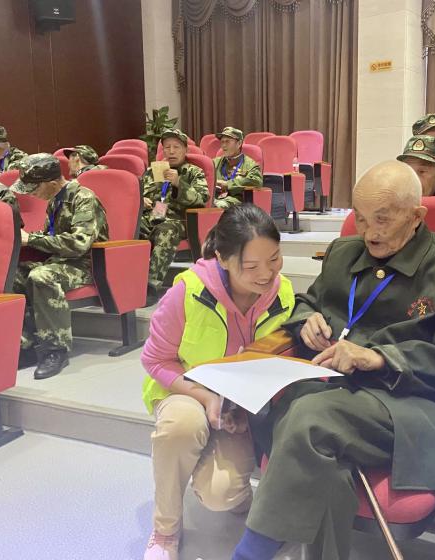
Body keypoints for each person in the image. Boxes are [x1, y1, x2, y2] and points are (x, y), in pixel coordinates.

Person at [231, 160, 435, 560]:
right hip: (332, 388)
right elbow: (307, 302)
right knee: (316, 448)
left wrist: (379, 358)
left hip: (407, 405)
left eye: (382, 220)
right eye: (362, 218)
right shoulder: (343, 252)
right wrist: (306, 321)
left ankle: (251, 553)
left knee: (309, 419)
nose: (369, 232)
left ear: (416, 216)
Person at [140, 204, 295, 560]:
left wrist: (243, 408)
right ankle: (165, 531)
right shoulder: (189, 290)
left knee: (221, 494)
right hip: (185, 390)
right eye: (251, 266)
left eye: (274, 259)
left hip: (238, 405)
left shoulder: (283, 294)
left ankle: (232, 486)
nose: (267, 274)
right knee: (181, 426)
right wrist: (207, 398)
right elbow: (155, 360)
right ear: (222, 259)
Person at [11, 153, 108, 379]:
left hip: (87, 264)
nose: (31, 194)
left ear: (53, 183)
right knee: (13, 274)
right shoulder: (55, 199)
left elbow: (79, 244)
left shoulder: (84, 198)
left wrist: (32, 239)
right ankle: (25, 345)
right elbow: (52, 236)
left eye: (34, 188)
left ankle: (55, 350)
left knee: (42, 276)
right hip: (59, 261)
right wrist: (27, 238)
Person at [140, 129, 208, 301]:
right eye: (167, 147)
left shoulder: (194, 172)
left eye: (176, 147)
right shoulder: (154, 170)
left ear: (185, 150)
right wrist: (141, 200)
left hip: (179, 220)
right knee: (132, 227)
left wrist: (179, 183)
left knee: (166, 230)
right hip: (152, 216)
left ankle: (150, 286)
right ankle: (126, 283)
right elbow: (138, 194)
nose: (171, 151)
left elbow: (201, 199)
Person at [212, 127, 262, 209]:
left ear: (239, 143)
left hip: (237, 201)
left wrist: (227, 184)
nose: (223, 145)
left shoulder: (250, 165)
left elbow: (256, 182)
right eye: (222, 142)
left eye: (227, 141)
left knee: (218, 206)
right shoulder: (214, 163)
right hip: (215, 198)